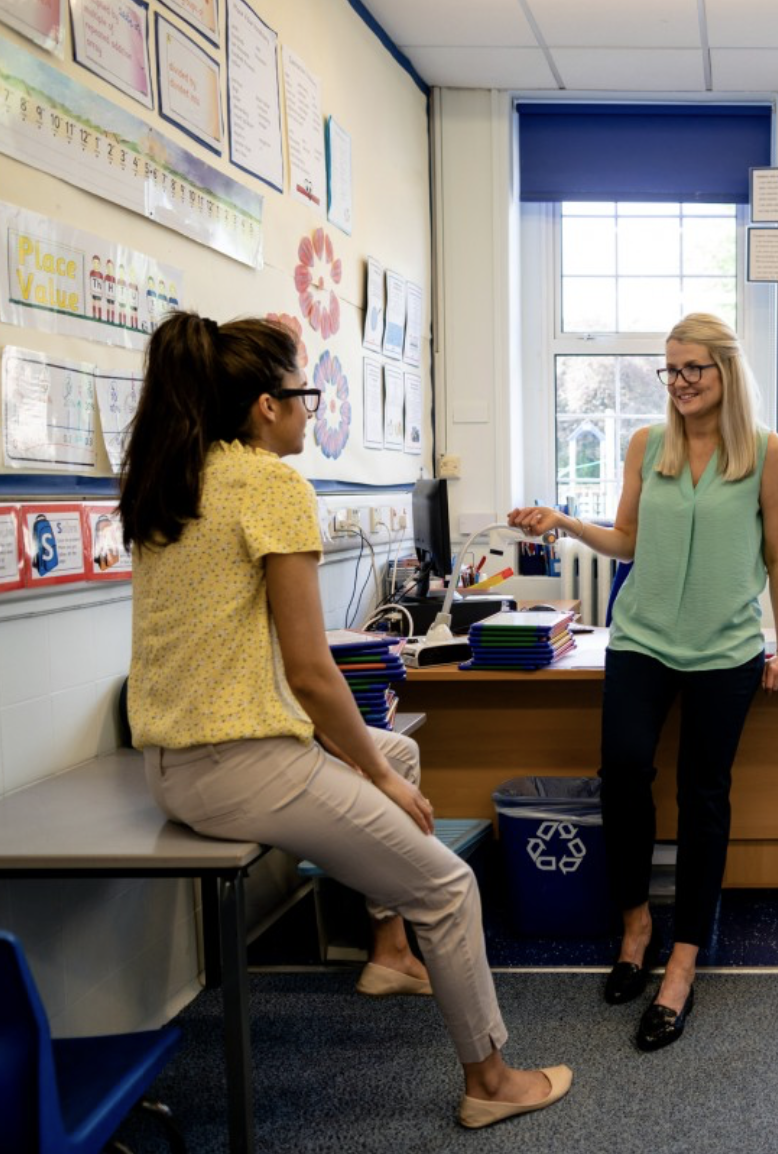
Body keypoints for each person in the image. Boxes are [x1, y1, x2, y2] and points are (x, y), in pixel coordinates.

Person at [120, 312, 570, 1128]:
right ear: (266, 406)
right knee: (448, 886)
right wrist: (373, 781)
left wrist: (374, 765)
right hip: (240, 765)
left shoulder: (178, 475)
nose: (311, 411)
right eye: (305, 395)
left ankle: (389, 955)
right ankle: (491, 1082)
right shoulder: (269, 485)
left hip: (173, 768)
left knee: (397, 752)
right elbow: (310, 672)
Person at [508, 312, 778, 1051]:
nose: (680, 382)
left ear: (726, 371)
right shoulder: (647, 444)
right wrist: (564, 522)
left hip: (726, 649)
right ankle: (635, 924)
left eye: (693, 368)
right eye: (670, 369)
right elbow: (628, 540)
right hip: (641, 640)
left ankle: (684, 963)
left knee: (704, 796)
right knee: (625, 772)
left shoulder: (766, 452)